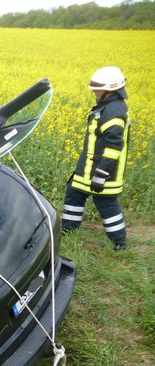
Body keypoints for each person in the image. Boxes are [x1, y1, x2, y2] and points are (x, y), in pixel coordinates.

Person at [61, 66, 130, 251]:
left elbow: (114, 147)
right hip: (87, 168)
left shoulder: (114, 111)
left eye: (97, 88)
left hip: (103, 171)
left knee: (106, 204)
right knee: (74, 193)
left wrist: (101, 174)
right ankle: (68, 231)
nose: (93, 91)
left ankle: (119, 243)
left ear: (111, 89)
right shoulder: (106, 107)